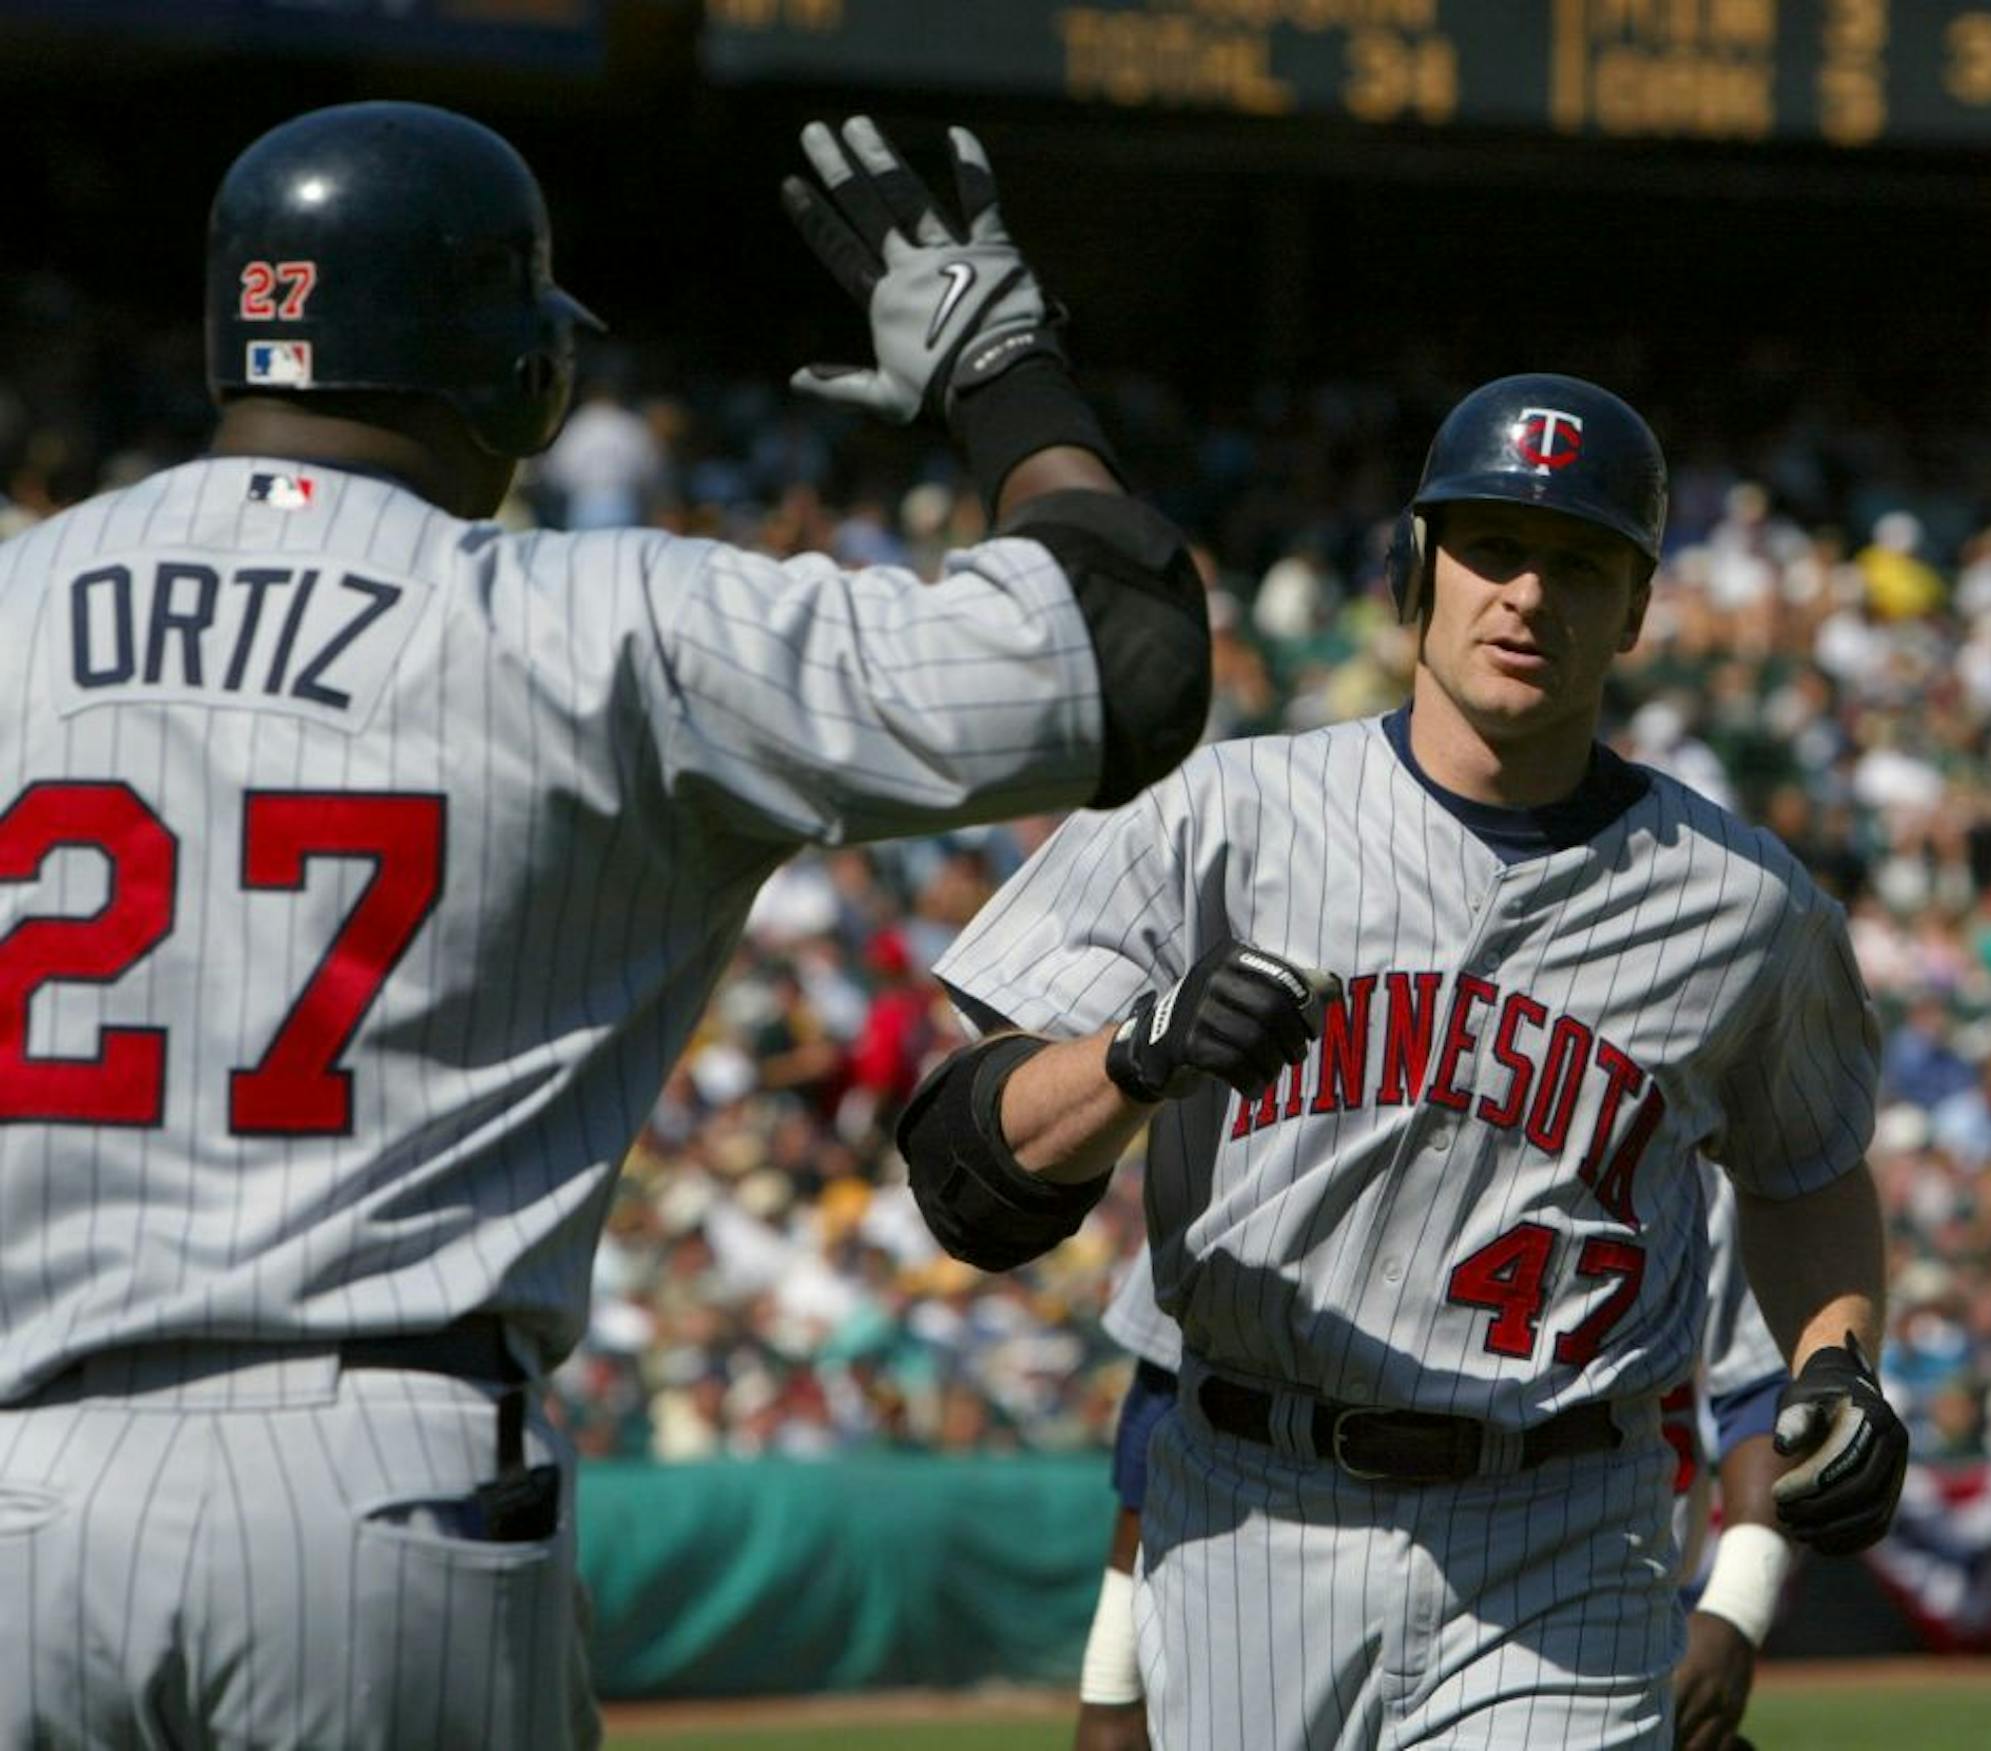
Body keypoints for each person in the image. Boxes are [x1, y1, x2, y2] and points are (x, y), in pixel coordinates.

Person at [0, 102, 1208, 1748]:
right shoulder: (603, 621)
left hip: (20, 1494)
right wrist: (1003, 376)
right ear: (516, 368)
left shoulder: (15, 599)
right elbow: (1128, 657)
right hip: (384, 1478)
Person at [904, 373, 1908, 1747]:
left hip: (1564, 1524)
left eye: (1579, 560)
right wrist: (1136, 1054)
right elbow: (966, 1157)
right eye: (1492, 547)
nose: (1527, 594)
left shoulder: (1747, 904)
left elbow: (1809, 1170)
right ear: (1414, 572)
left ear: (1637, 608)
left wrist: (1839, 1358)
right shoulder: (1228, 814)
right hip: (1255, 1504)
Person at [1073, 1156, 1796, 1751]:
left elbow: (1760, 1388)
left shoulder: (1676, 1130)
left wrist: (1735, 1608)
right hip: (1279, 1565)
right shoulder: (1268, 1123)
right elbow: (1169, 1392)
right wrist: (1111, 1681)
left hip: (1581, 1587)